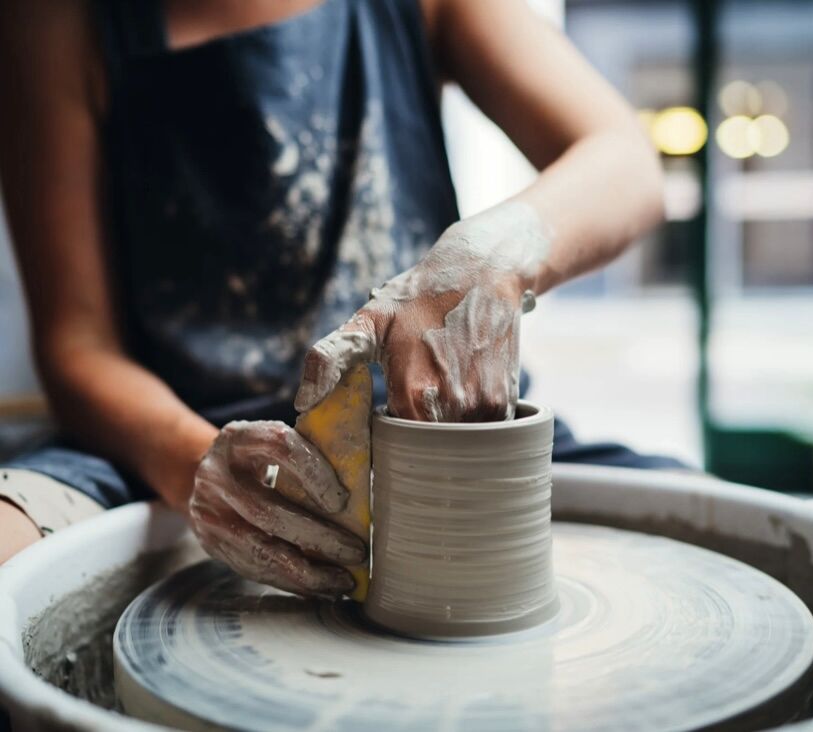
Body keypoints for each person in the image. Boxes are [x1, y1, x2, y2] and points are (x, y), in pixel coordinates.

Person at [0, 0, 680, 594]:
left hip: (441, 436)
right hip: (187, 443)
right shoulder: (59, 18)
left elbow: (624, 159)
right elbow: (76, 346)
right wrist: (192, 465)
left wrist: (495, 254)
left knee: (710, 530)